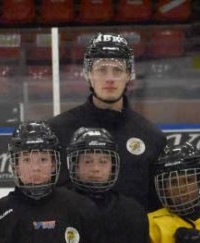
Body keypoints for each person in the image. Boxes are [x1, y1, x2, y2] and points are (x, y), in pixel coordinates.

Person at [49, 33, 166, 212]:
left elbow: (158, 209)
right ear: (88, 74)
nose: (110, 78)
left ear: (129, 75)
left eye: (118, 70)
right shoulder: (56, 131)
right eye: (102, 69)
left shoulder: (151, 137)